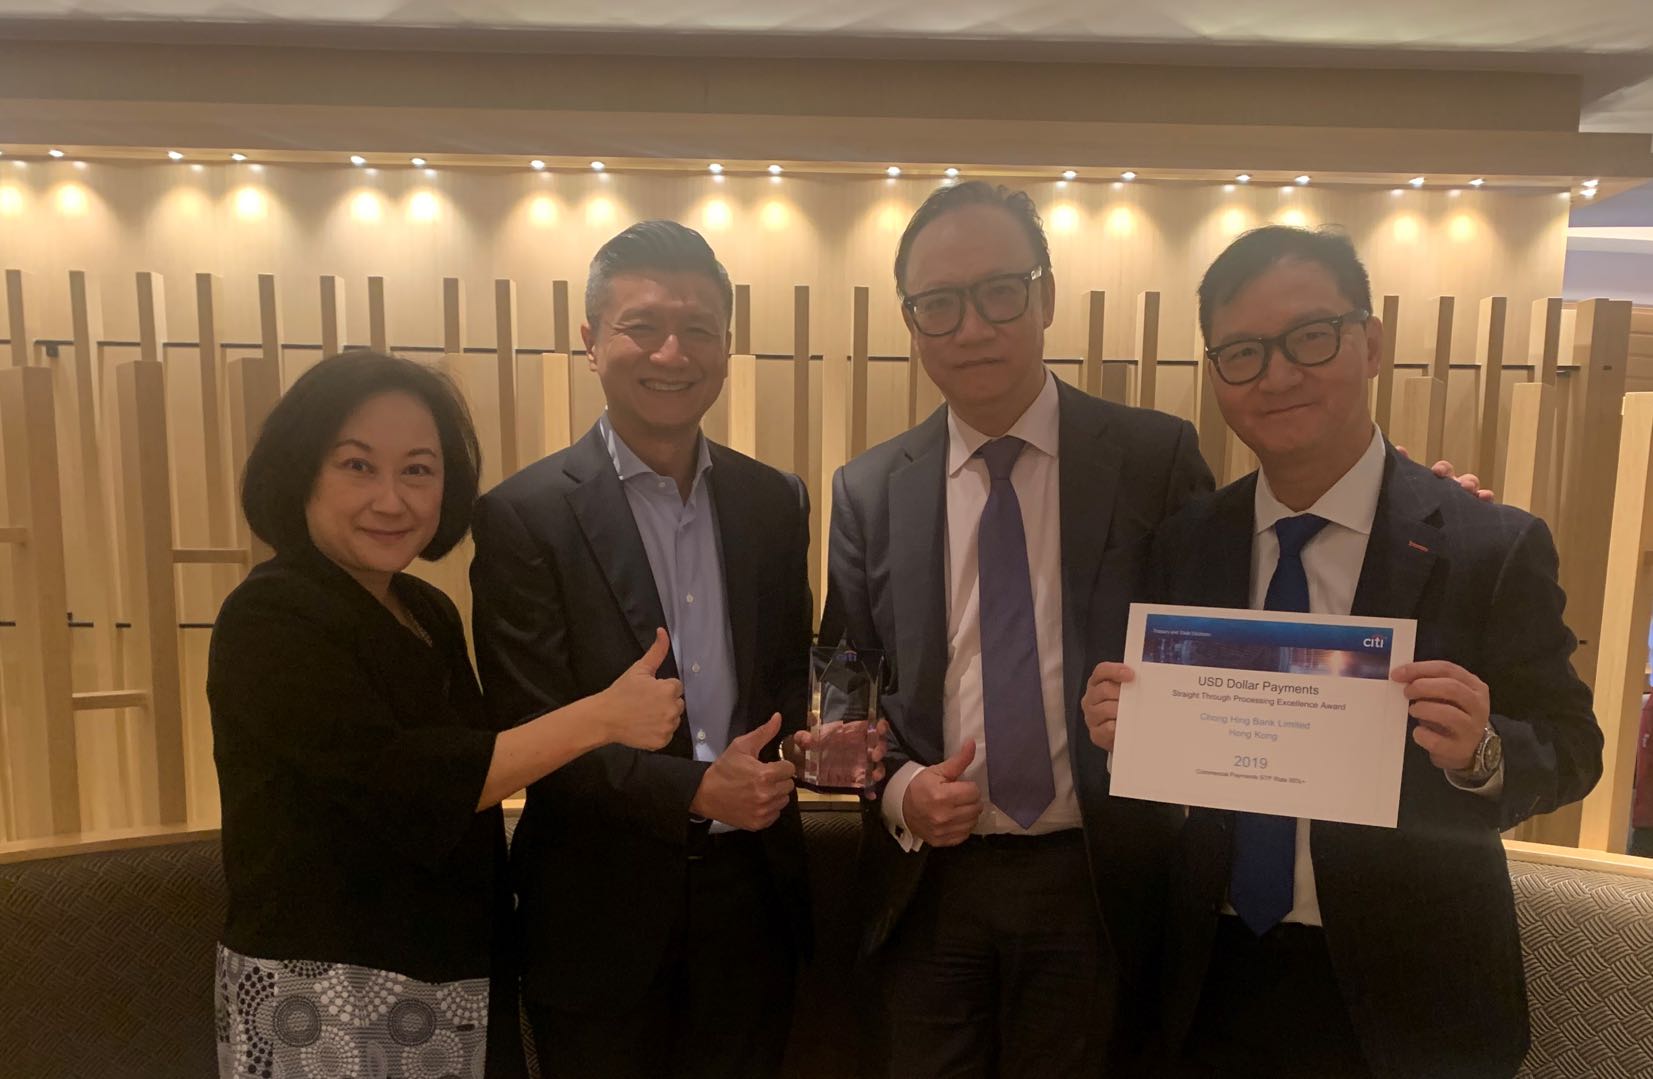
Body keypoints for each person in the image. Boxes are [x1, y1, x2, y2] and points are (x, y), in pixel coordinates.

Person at [1083, 226, 1603, 1078]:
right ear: (1216, 375)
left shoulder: (1487, 545)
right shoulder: (1186, 542)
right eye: (1242, 353)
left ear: (1369, 343)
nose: (1276, 375)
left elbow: (1574, 749)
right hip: (1206, 980)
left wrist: (1481, 750)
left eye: (1309, 337)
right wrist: (1122, 727)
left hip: (1409, 994)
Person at [820, 180, 1215, 1076]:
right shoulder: (870, 489)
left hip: (1098, 876)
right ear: (911, 322)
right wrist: (898, 789)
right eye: (938, 304)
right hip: (929, 883)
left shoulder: (1152, 459)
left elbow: (1234, 613)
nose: (971, 327)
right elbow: (845, 687)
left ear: (1045, 296)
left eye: (999, 291)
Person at [470, 220, 880, 1077]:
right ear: (590, 341)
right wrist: (694, 788)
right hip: (597, 913)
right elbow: (533, 733)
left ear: (726, 348)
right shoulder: (524, 515)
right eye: (642, 326)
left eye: (698, 328)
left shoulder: (773, 502)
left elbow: (780, 680)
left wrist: (810, 742)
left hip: (753, 897)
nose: (671, 351)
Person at [210, 351, 684, 1079]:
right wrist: (603, 717)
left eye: (418, 470)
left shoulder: (425, 608)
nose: (391, 499)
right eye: (358, 466)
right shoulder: (271, 614)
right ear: (301, 470)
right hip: (321, 983)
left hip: (451, 972)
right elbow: (413, 783)